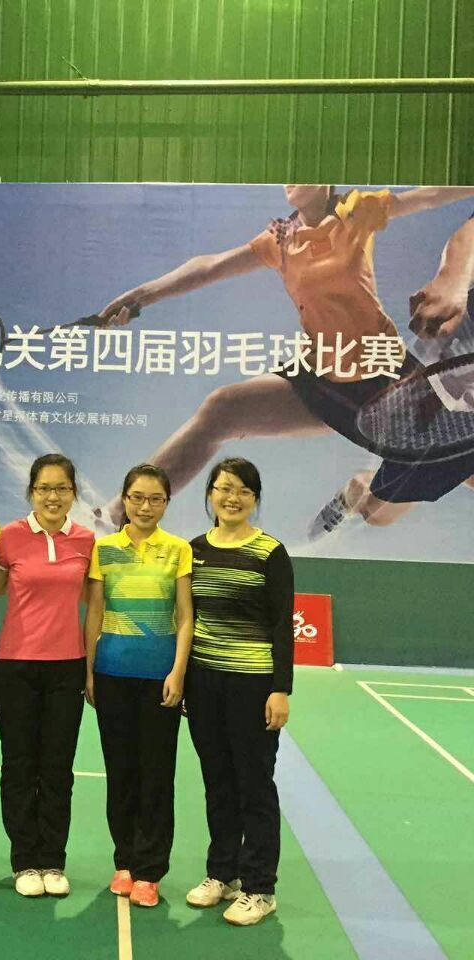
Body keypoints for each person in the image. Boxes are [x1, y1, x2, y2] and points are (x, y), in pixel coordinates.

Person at [95, 184, 474, 534]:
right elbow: (210, 265)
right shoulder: (281, 241)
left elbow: (426, 197)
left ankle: (358, 492)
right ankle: (116, 519)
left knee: (419, 489)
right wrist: (143, 294)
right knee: (221, 409)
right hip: (317, 375)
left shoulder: (356, 212)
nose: (291, 180)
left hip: (380, 381)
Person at [311, 210, 474, 532]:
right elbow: (468, 237)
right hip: (445, 403)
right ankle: (358, 489)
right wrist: (452, 278)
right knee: (378, 514)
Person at [184, 457, 294, 927]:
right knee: (218, 782)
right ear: (210, 493)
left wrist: (280, 689)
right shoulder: (194, 550)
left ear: (254, 499)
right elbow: (187, 618)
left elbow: (282, 625)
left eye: (243, 491)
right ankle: (222, 873)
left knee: (254, 784)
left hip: (253, 684)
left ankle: (260, 887)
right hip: (204, 682)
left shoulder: (270, 552)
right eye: (224, 488)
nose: (232, 498)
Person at [84, 464, 193, 908]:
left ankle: (150, 869)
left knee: (157, 774)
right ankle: (125, 862)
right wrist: (90, 671)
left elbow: (185, 616)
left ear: (166, 503)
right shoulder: (104, 549)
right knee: (121, 772)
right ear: (124, 499)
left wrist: (178, 673)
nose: (145, 507)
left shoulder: (178, 550)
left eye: (155, 499)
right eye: (137, 498)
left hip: (159, 679)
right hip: (112, 674)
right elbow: (94, 612)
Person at [0, 454, 94, 898]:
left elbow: (93, 603)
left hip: (66, 667)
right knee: (19, 766)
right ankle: (24, 861)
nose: (53, 497)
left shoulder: (86, 540)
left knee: (57, 768)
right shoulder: (9, 537)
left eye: (62, 489)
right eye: (44, 489)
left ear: (73, 493)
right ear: (31, 492)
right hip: (15, 667)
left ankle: (52, 859)